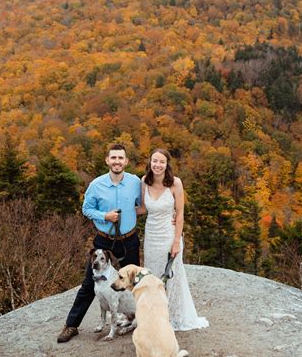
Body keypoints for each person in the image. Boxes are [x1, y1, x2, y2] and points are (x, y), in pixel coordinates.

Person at [57, 143, 141, 343]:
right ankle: (71, 325)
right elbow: (86, 209)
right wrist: (105, 216)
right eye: (113, 158)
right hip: (104, 240)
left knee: (135, 283)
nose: (117, 162)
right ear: (107, 160)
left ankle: (142, 320)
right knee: (88, 284)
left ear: (126, 161)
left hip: (129, 239)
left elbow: (145, 203)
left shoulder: (135, 182)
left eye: (121, 158)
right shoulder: (96, 185)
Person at [139, 148, 209, 331]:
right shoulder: (144, 181)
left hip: (169, 235)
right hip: (151, 236)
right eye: (155, 161)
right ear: (150, 162)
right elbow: (144, 209)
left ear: (167, 164)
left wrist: (176, 241)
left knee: (173, 277)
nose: (157, 165)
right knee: (152, 276)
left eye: (162, 162)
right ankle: (156, 316)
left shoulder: (175, 184)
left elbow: (180, 214)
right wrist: (118, 212)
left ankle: (174, 317)